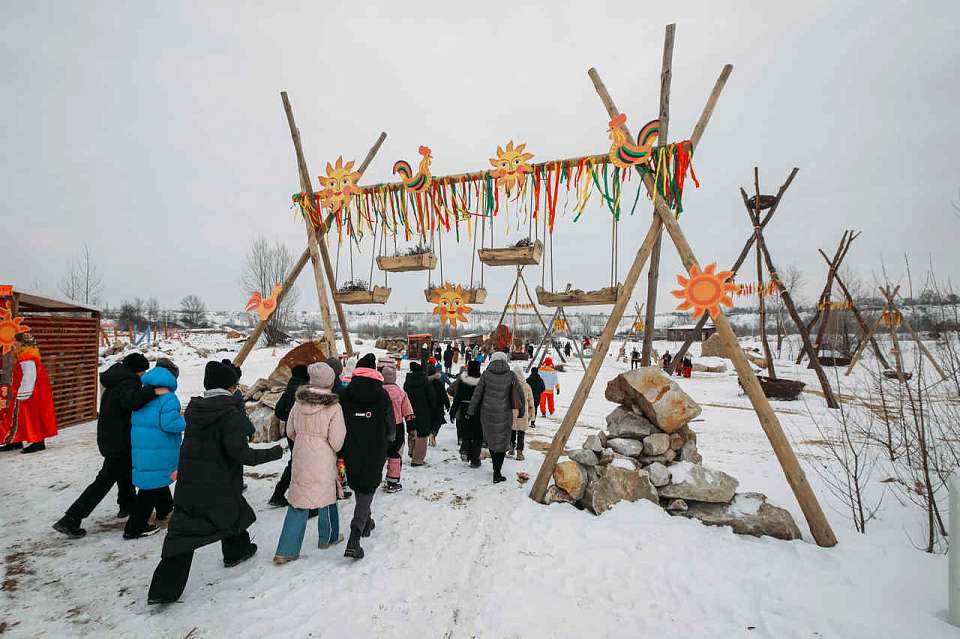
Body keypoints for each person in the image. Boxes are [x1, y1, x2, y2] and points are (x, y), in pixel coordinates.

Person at [147, 361, 283, 604]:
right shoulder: (228, 415)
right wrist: (275, 452)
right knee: (204, 524)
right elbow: (243, 455)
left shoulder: (196, 409)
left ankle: (236, 551)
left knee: (221, 516)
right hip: (218, 482)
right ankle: (164, 591)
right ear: (230, 388)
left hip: (192, 481)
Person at [53, 353, 163, 539]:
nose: (144, 374)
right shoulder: (128, 383)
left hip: (111, 437)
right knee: (104, 480)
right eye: (143, 371)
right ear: (137, 370)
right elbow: (131, 401)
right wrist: (153, 392)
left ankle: (127, 504)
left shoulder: (116, 380)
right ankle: (71, 518)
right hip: (118, 441)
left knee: (125, 471)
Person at [273, 363, 346, 564]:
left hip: (301, 456)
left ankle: (286, 550)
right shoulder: (334, 407)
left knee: (299, 500)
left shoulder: (298, 403)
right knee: (328, 496)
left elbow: (290, 432)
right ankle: (328, 538)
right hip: (323, 459)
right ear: (330, 382)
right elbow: (337, 442)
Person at [125, 358, 185, 540]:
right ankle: (134, 528)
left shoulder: (144, 394)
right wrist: (185, 421)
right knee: (149, 490)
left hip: (144, 447)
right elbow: (170, 424)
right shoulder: (168, 398)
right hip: (159, 448)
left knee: (156, 479)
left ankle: (165, 508)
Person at [339, 354, 392, 560]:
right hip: (375, 447)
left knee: (359, 485)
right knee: (368, 487)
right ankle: (355, 536)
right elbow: (390, 424)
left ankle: (367, 522)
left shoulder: (346, 394)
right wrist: (390, 441)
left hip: (351, 446)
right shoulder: (382, 394)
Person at [467, 351, 525, 483]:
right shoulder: (511, 375)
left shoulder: (486, 375)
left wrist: (471, 411)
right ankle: (497, 472)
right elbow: (520, 394)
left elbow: (477, 394)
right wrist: (521, 411)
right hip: (505, 414)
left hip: (487, 414)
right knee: (502, 442)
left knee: (492, 441)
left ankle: (496, 470)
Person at [0, 332, 57, 453]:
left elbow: (29, 376)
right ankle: (15, 440)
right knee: (17, 416)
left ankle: (38, 442)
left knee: (31, 417)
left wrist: (23, 393)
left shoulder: (26, 357)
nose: (14, 343)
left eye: (16, 341)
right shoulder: (26, 355)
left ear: (21, 343)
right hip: (28, 391)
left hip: (30, 393)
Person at [268, 364, 310, 508]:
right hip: (305, 432)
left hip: (291, 432)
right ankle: (298, 496)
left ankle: (279, 493)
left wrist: (288, 419)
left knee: (295, 461)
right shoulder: (306, 391)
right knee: (304, 463)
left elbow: (278, 412)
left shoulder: (288, 390)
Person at [381, 366, 413, 493]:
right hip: (398, 426)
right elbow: (408, 412)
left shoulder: (379, 392)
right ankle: (392, 481)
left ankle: (375, 477)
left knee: (380, 453)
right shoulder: (401, 393)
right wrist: (412, 428)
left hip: (382, 427)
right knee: (395, 454)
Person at [450, 360, 482, 466]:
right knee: (477, 435)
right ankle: (475, 459)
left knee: (466, 431)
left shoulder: (463, 381)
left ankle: (465, 449)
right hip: (478, 410)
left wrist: (453, 411)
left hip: (464, 408)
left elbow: (457, 397)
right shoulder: (482, 381)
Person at [403, 361, 434, 465]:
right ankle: (418, 459)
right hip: (423, 410)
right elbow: (431, 395)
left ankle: (412, 451)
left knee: (412, 430)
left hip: (409, 409)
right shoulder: (424, 380)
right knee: (422, 433)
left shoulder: (408, 381)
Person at [508, 364, 534, 461]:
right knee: (521, 433)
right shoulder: (527, 386)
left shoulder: (510, 385)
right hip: (523, 413)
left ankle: (511, 448)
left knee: (512, 431)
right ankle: (519, 452)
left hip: (512, 412)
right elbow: (531, 402)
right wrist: (532, 415)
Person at [428, 363, 449, 446]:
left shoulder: (424, 383)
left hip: (427, 407)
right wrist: (447, 404)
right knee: (438, 421)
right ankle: (433, 433)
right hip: (438, 406)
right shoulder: (438, 382)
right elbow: (444, 394)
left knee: (429, 422)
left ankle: (430, 434)